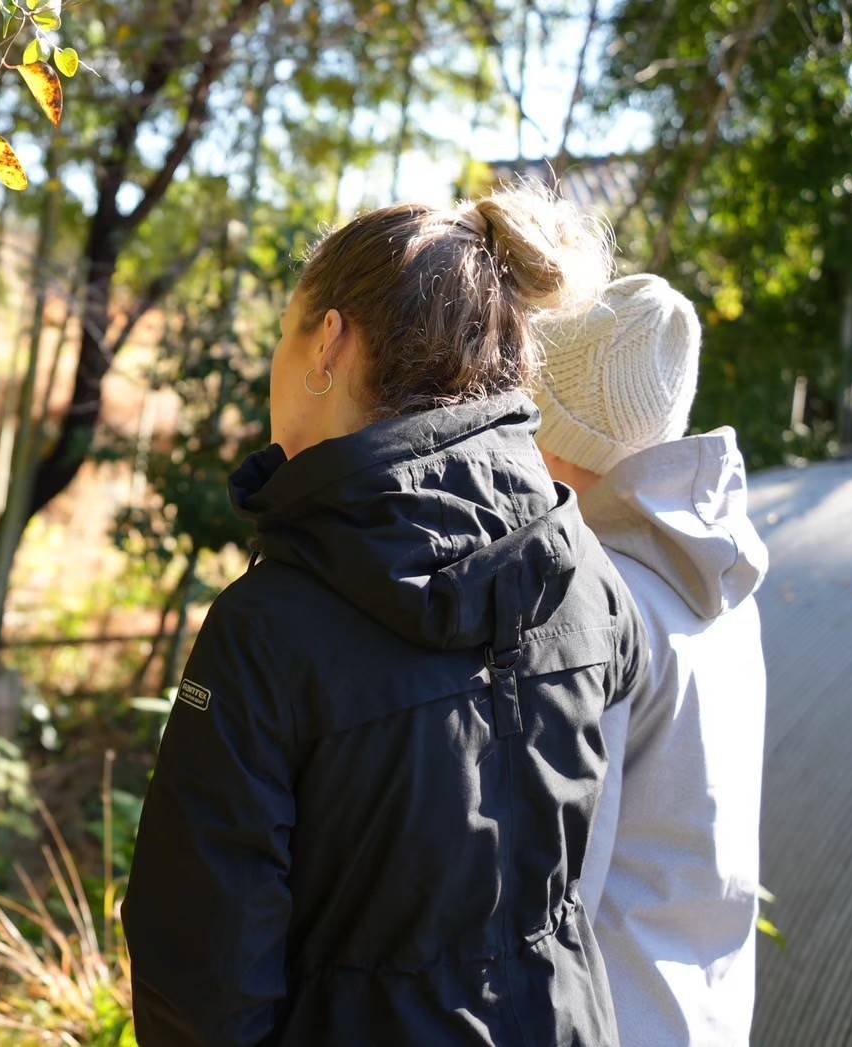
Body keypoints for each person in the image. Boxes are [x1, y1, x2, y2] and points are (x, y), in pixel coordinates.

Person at [120, 188, 650, 1047]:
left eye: (284, 332)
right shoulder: (585, 574)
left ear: (326, 341)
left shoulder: (269, 628)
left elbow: (202, 970)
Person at [532, 274, 768, 1047]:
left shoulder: (598, 599)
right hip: (699, 1016)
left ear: (554, 432)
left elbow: (556, 896)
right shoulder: (724, 584)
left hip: (607, 1021)